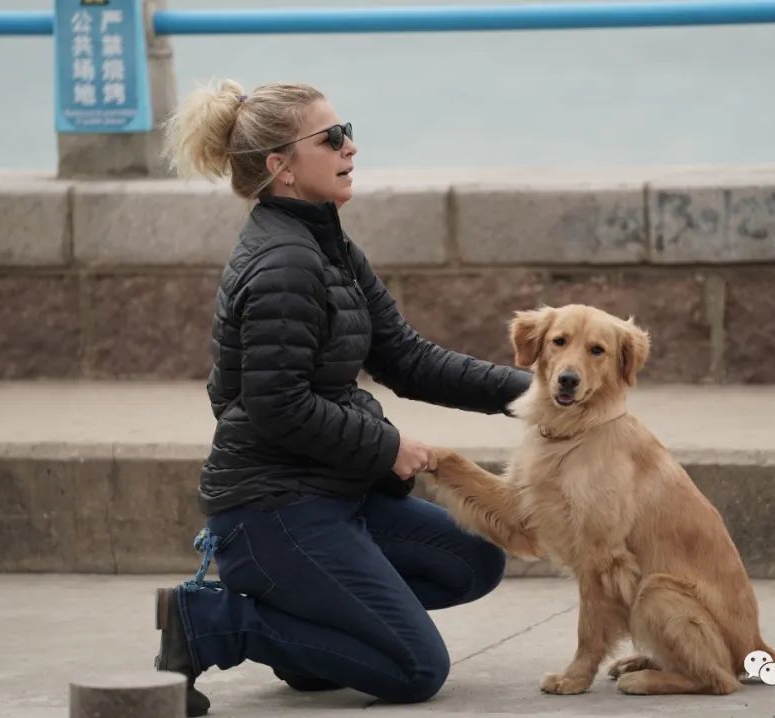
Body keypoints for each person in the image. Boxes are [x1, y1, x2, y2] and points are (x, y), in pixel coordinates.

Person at [153, 79, 531, 717]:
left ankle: (313, 640)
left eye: (346, 129)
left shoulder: (328, 246)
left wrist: (536, 393)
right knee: (413, 668)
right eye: (330, 137)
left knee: (471, 561)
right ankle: (215, 623)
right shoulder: (284, 265)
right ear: (282, 167)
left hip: (331, 492)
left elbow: (406, 360)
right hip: (272, 512)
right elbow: (277, 406)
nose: (349, 145)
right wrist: (389, 447)